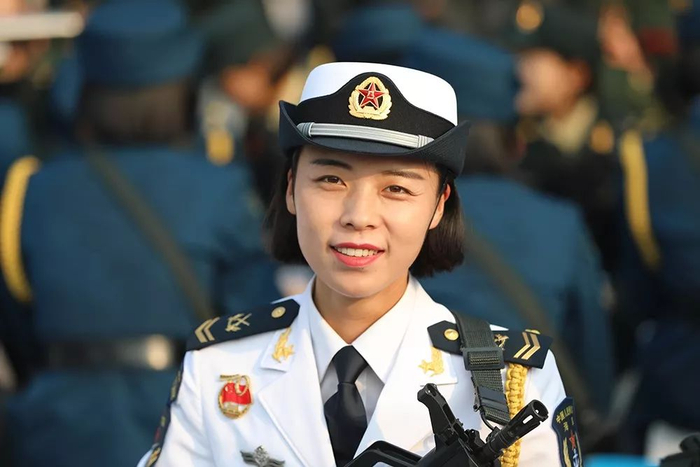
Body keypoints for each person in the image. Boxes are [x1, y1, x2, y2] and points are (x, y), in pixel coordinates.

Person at [139, 62, 578, 467]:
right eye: (331, 179)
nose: (359, 215)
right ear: (291, 188)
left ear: (439, 205)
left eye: (396, 189)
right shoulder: (218, 363)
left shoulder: (512, 381)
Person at [0, 2, 278, 466]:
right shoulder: (218, 186)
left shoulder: (32, 188)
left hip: (58, 429)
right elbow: (253, 320)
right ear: (182, 84)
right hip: (185, 421)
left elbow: (18, 324)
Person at [405, 26, 614, 417]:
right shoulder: (560, 222)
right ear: (513, 141)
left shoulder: (396, 213)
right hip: (529, 428)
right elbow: (593, 358)